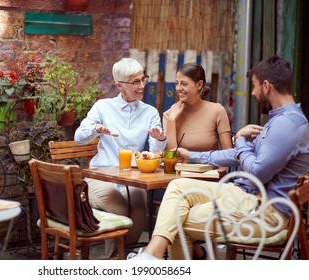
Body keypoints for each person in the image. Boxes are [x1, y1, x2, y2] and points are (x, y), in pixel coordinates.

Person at [128, 55, 309, 260]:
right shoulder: (281, 120)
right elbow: (237, 154)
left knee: (175, 220)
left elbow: (257, 169)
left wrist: (239, 140)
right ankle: (153, 255)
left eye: (254, 86)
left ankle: (152, 257)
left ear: (266, 86)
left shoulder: (287, 125)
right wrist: (194, 156)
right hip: (246, 196)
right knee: (178, 187)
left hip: (266, 212)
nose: (253, 92)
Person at [74, 57, 166, 258]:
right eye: (135, 82)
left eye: (143, 79)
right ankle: (119, 261)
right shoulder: (103, 107)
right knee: (119, 207)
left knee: (140, 209)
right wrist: (95, 130)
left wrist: (159, 140)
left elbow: (154, 154)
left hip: (132, 177)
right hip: (100, 176)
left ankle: (119, 260)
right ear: (119, 85)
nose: (142, 86)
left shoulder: (150, 112)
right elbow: (79, 138)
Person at [162, 62, 233, 259]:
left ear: (199, 84)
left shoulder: (216, 111)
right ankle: (197, 251)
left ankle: (192, 250)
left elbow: (228, 154)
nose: (178, 89)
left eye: (184, 84)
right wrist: (171, 123)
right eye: (176, 83)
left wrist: (218, 173)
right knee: (175, 204)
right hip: (177, 180)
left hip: (209, 181)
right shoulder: (172, 113)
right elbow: (172, 156)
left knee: (175, 213)